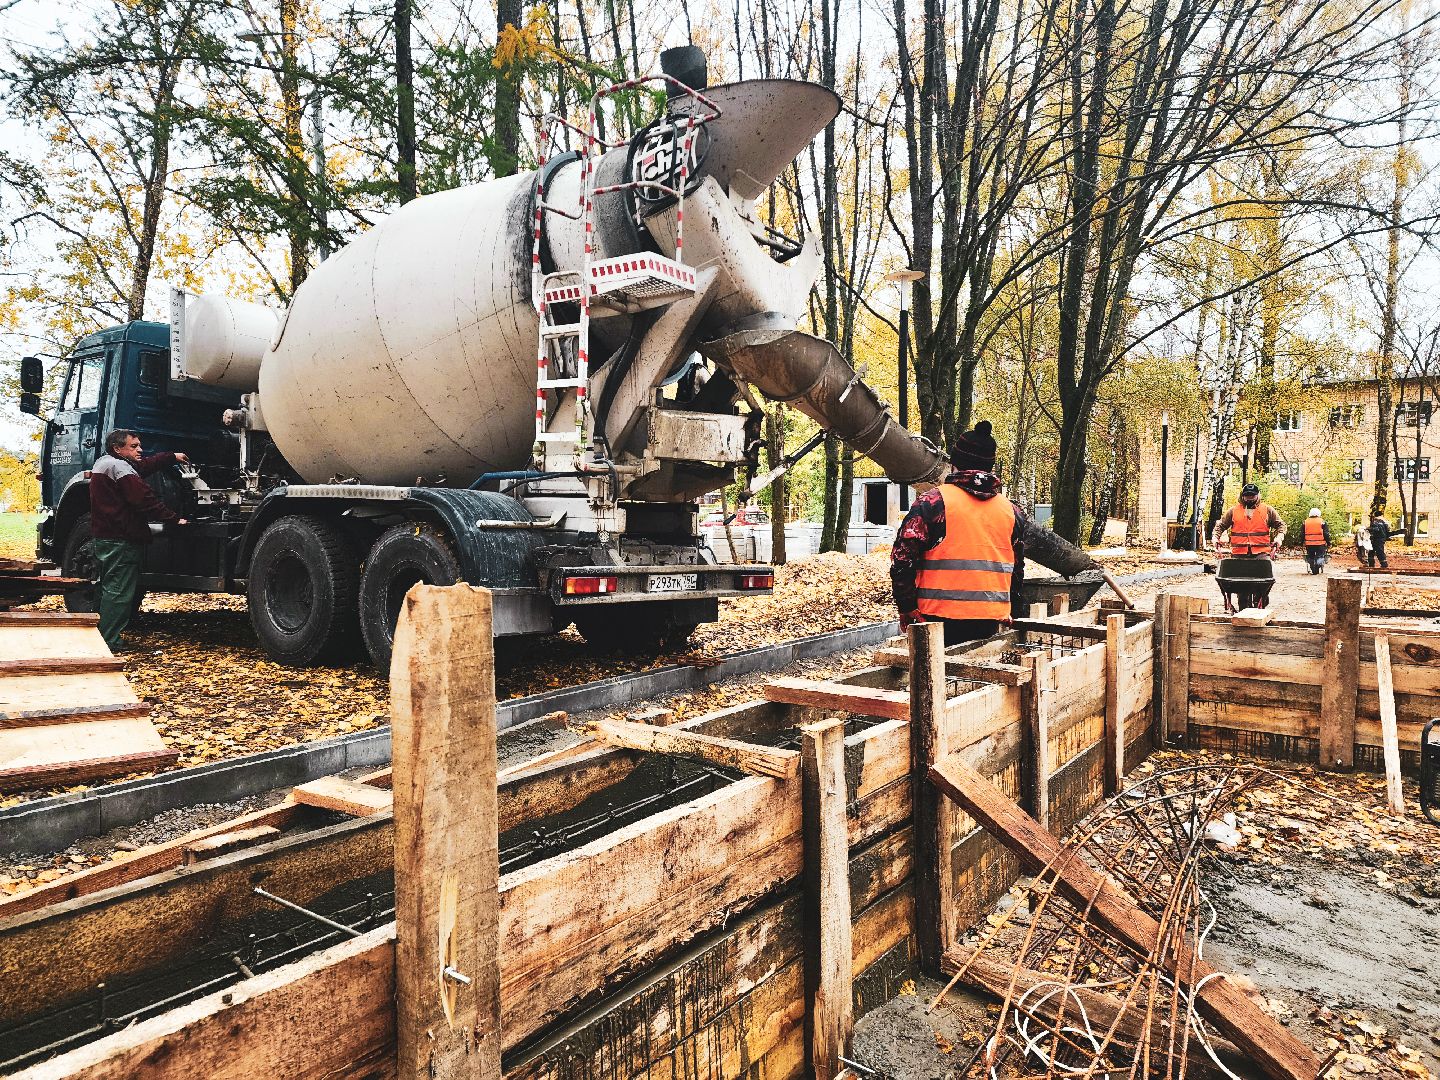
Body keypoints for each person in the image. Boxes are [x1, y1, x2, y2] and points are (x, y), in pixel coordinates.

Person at [890, 420, 1026, 646]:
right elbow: (1017, 569)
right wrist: (1013, 609)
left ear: (954, 464)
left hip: (935, 619)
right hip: (991, 621)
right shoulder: (1012, 512)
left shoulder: (933, 503)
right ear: (990, 468)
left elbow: (902, 558)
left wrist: (906, 606)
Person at [89, 429, 189, 651]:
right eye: (134, 446)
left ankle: (98, 636)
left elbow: (143, 466)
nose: (140, 450)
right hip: (122, 539)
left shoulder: (104, 463)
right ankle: (110, 640)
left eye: (139, 445)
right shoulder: (121, 468)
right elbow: (144, 499)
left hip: (105, 537)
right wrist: (173, 518)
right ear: (118, 448)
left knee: (106, 587)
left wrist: (171, 457)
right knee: (119, 591)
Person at [1213, 483, 1285, 557]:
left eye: (1252, 496)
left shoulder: (1268, 510)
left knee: (1265, 564)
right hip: (1238, 553)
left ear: (1258, 495)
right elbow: (1220, 526)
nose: (1250, 498)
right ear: (1242, 496)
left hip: (1261, 553)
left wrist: (1279, 538)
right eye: (1247, 495)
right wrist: (1215, 538)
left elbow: (1281, 525)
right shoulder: (1233, 511)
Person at [1302, 508, 1330, 575]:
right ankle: (1317, 565)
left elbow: (1302, 534)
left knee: (1311, 556)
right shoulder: (1322, 522)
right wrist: (1328, 542)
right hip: (1320, 543)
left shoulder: (1305, 522)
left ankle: (1313, 567)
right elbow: (1326, 533)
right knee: (1320, 556)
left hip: (1309, 543)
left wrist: (1301, 542)